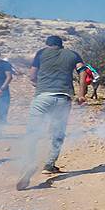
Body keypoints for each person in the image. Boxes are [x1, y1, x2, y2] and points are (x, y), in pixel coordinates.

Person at [16, 35, 88, 190]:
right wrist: (81, 94)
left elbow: (32, 76)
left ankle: (29, 163)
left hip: (42, 97)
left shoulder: (41, 53)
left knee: (33, 132)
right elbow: (83, 71)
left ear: (48, 45)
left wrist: (40, 84)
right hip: (63, 97)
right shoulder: (72, 54)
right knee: (58, 133)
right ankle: (49, 165)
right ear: (61, 45)